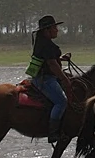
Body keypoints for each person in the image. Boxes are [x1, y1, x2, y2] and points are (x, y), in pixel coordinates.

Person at [25, 15, 73, 144]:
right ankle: (53, 133)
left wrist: (61, 58)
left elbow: (50, 59)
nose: (57, 30)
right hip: (46, 79)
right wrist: (64, 79)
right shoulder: (46, 45)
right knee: (61, 102)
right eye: (55, 27)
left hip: (45, 77)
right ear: (47, 30)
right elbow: (52, 65)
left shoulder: (43, 43)